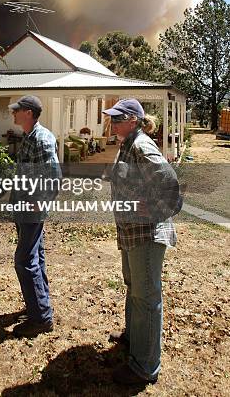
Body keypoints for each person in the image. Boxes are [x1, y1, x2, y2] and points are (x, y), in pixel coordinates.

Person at [102, 99, 182, 386]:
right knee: (135, 288)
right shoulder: (127, 144)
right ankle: (134, 339)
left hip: (147, 235)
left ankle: (144, 367)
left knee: (146, 297)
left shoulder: (141, 145)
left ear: (133, 120)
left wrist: (160, 208)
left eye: (117, 117)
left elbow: (168, 181)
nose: (112, 121)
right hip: (132, 233)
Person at [8, 95, 60, 338]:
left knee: (24, 260)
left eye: (17, 110)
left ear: (28, 113)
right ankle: (38, 306)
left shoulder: (42, 138)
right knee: (35, 257)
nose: (13, 113)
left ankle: (41, 318)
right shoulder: (30, 136)